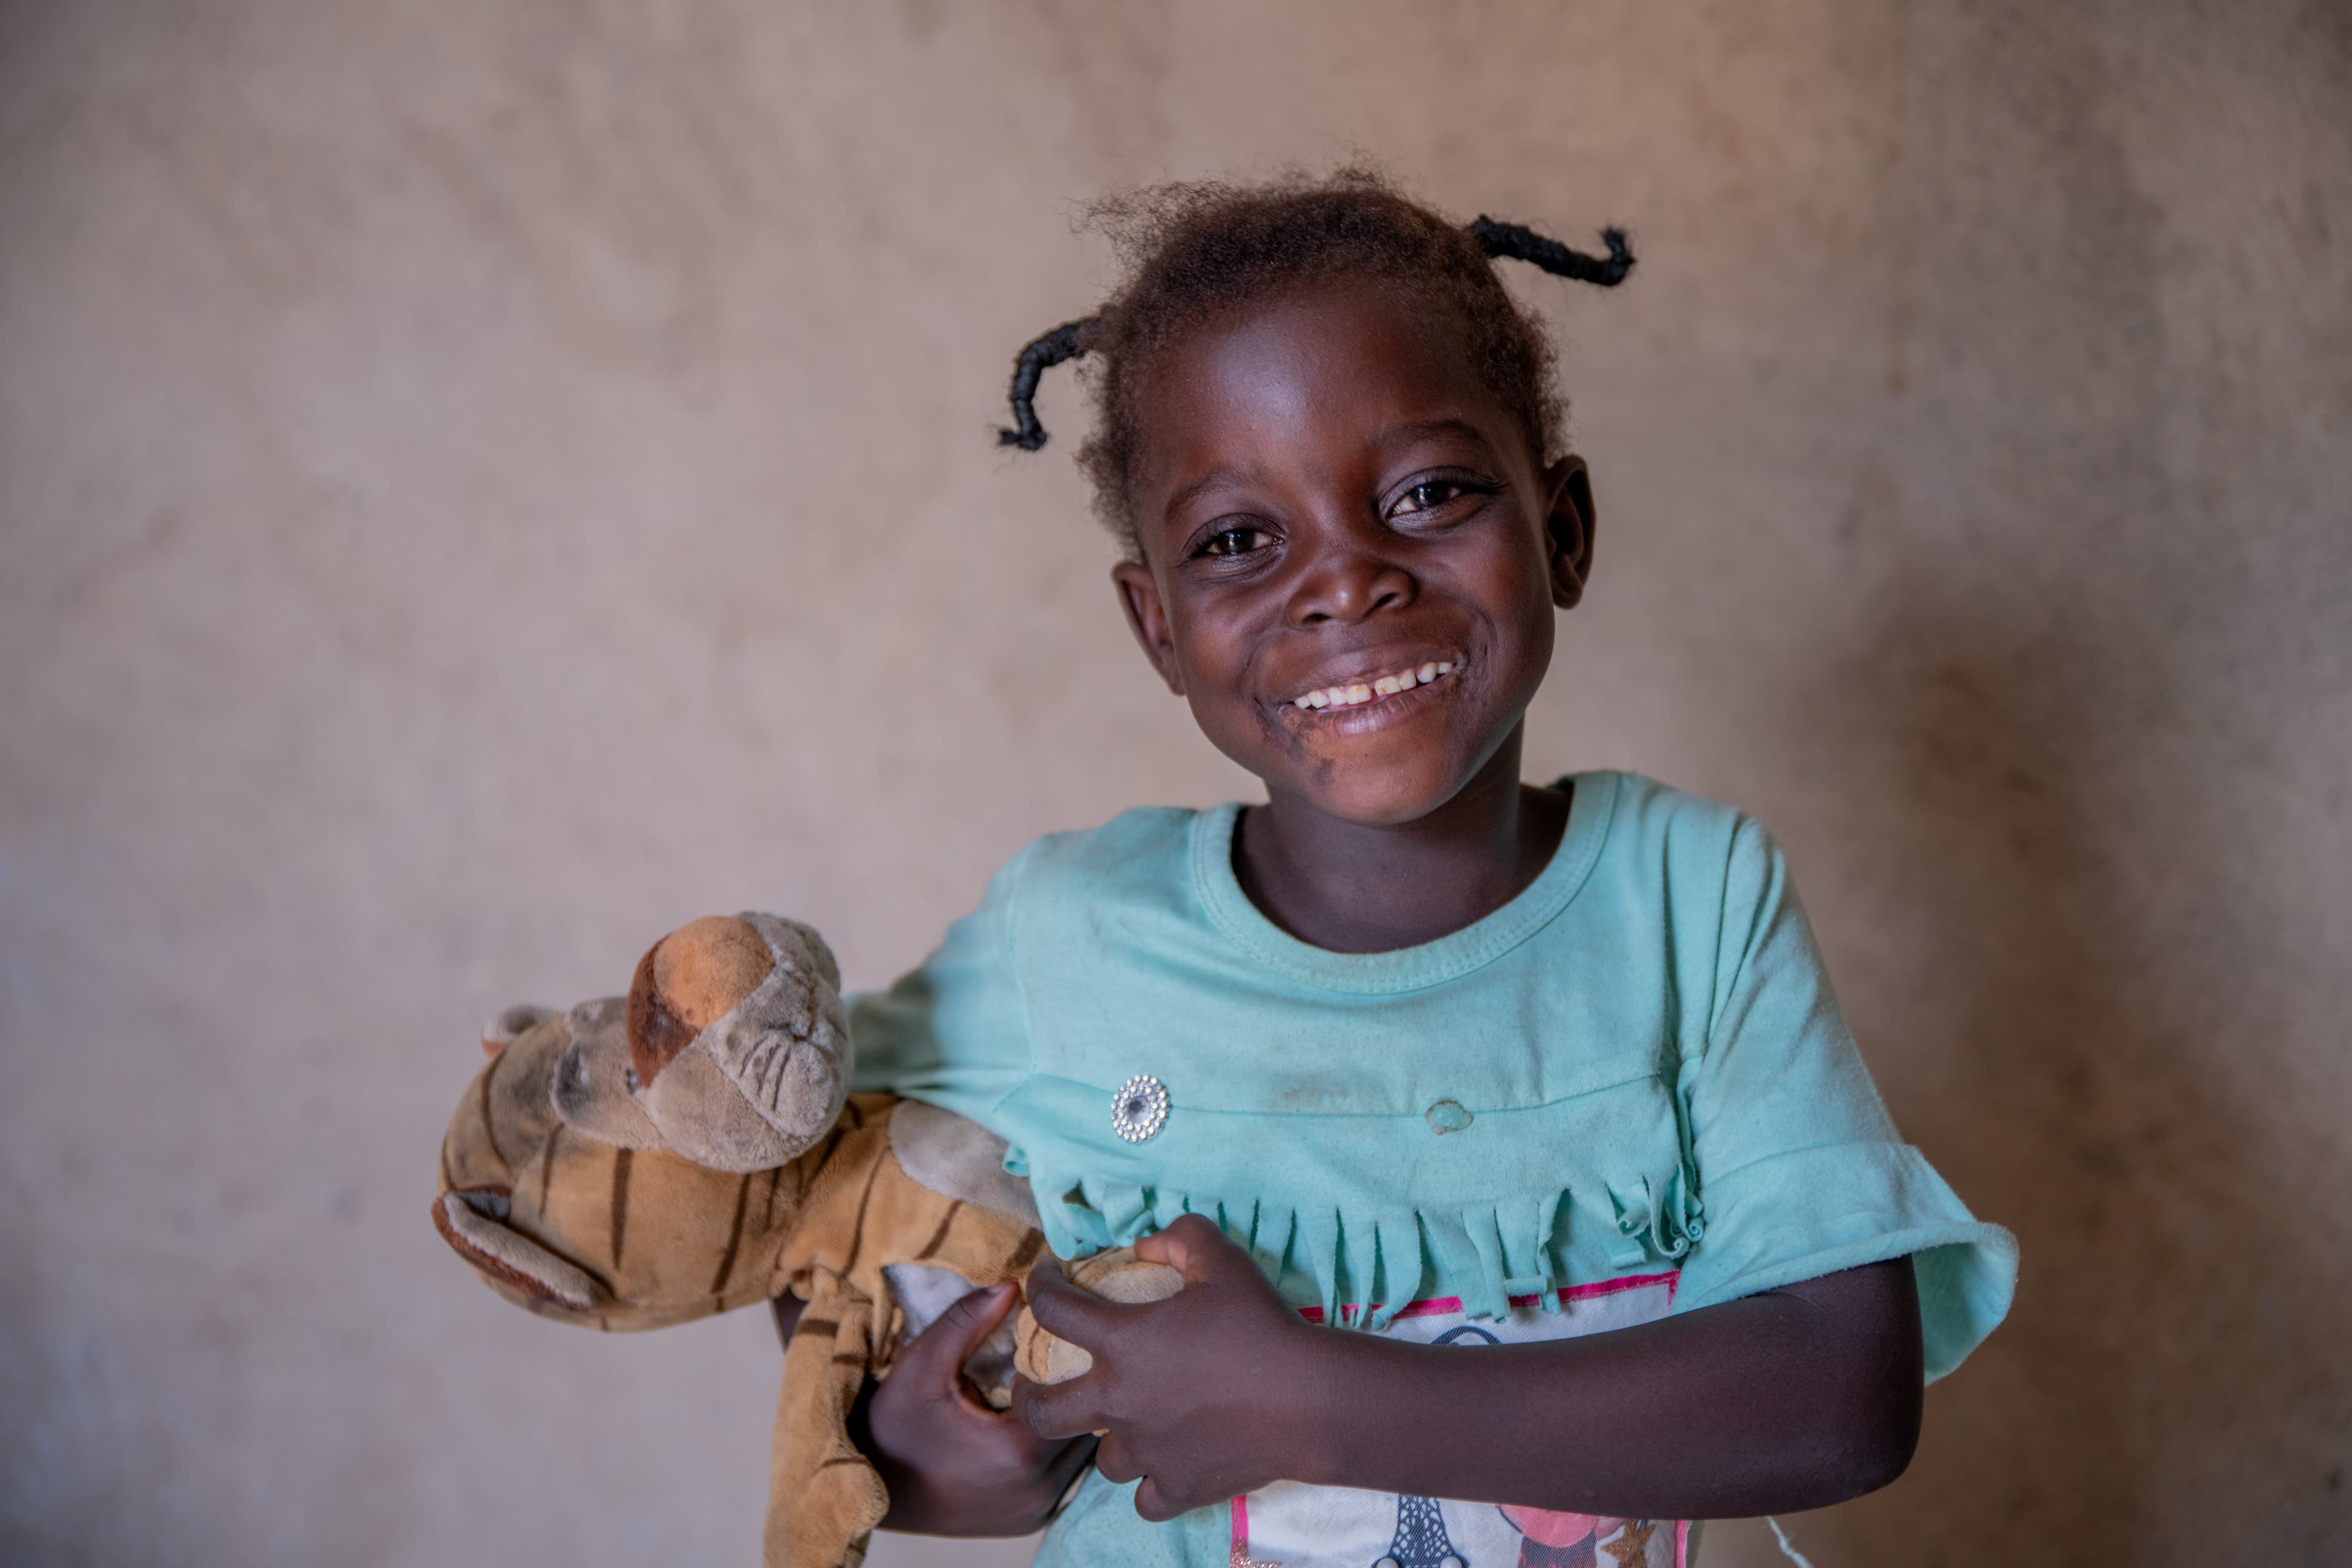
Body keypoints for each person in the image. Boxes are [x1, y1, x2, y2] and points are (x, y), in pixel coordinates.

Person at [822, 169, 2016, 1567]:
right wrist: (918, 1457)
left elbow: (1836, 1397)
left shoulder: (1691, 901)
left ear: (1560, 530)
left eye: (1430, 492)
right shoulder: (1068, 926)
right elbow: (808, 1190)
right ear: (1157, 627)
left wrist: (1313, 1401)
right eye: (1236, 541)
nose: (1345, 578)